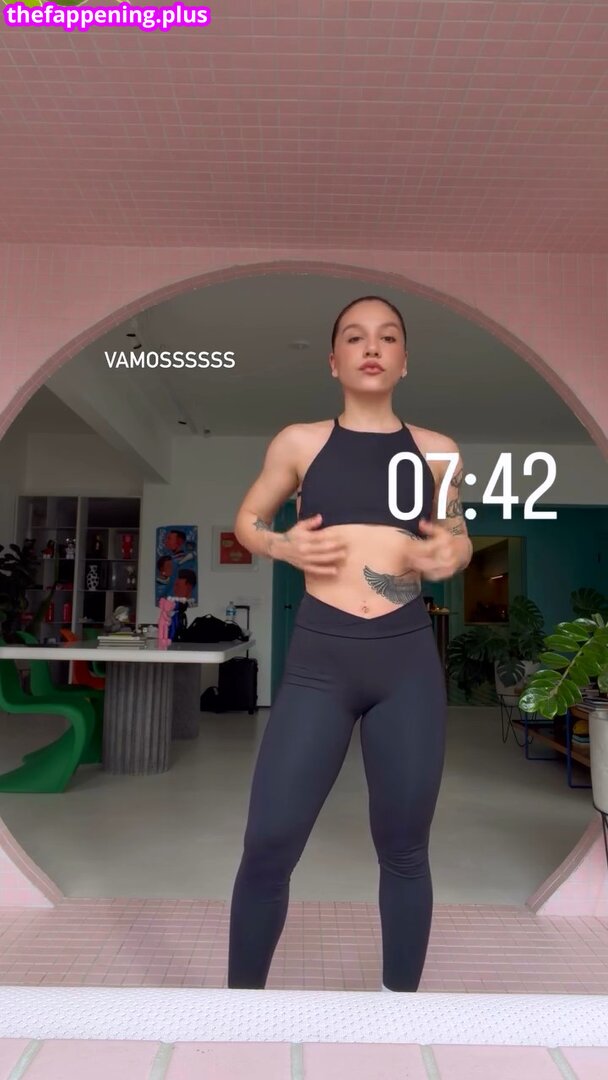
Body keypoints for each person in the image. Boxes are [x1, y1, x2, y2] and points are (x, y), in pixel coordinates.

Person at [227, 295, 473, 993]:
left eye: (387, 337)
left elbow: (458, 537)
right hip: (320, 662)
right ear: (334, 361)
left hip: (405, 661)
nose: (372, 347)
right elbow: (248, 519)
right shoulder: (299, 443)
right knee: (269, 843)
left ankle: (400, 1009)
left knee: (405, 849)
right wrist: (280, 544)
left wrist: (448, 556)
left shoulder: (438, 451)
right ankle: (240, 1009)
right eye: (356, 337)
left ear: (404, 361)